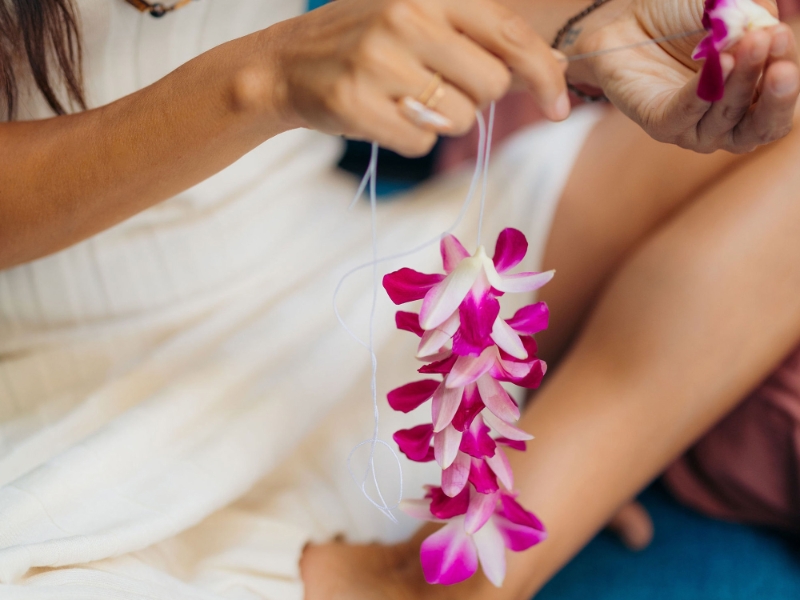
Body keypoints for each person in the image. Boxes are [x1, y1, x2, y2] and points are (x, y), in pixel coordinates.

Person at [0, 1, 798, 599]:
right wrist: (265, 78)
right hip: (68, 369)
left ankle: (464, 576)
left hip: (349, 273)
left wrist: (588, 25)